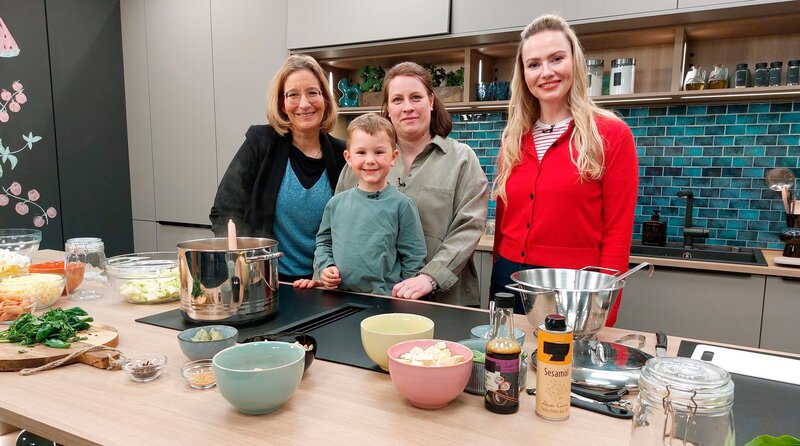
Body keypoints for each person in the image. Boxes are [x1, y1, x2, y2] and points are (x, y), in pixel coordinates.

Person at [490, 14, 639, 325]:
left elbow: (617, 235)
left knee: (559, 372)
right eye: (533, 64)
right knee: (503, 370)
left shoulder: (611, 135)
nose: (546, 72)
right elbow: (504, 225)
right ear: (523, 74)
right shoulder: (514, 140)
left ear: (575, 62)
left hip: (572, 288)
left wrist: (604, 310)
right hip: (507, 278)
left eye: (556, 58)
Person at [337, 62, 489, 307]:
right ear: (387, 109)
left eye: (416, 97)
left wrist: (430, 277)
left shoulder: (462, 159)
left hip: (445, 302)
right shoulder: (361, 163)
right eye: (397, 100)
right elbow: (339, 227)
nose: (407, 107)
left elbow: (469, 228)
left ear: (430, 101)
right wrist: (325, 269)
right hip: (374, 301)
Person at [209, 54, 346, 283]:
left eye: (312, 92)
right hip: (267, 282)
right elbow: (224, 211)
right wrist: (240, 269)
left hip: (325, 285)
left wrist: (326, 275)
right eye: (293, 94)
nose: (304, 104)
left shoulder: (344, 155)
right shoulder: (260, 142)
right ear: (282, 103)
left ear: (325, 99)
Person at [295, 113, 427, 295]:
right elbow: (324, 243)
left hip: (385, 301)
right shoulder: (335, 204)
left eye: (379, 152)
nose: (370, 160)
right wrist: (326, 268)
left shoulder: (402, 205)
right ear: (348, 158)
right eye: (361, 152)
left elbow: (414, 257)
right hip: (338, 297)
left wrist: (404, 295)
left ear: (393, 156)